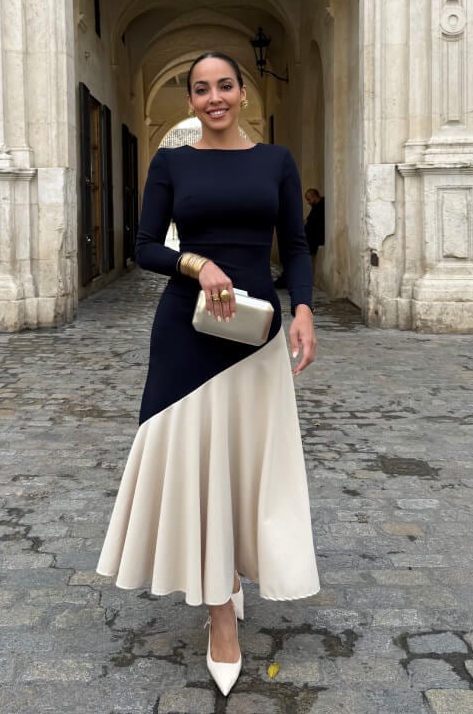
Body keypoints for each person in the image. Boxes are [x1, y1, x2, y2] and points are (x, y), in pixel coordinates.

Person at [97, 52, 320, 696]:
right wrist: (197, 263)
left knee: (245, 466)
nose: (214, 97)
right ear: (190, 100)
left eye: (225, 86)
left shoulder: (275, 161)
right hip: (186, 337)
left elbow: (296, 246)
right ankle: (223, 616)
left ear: (243, 94)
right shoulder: (172, 162)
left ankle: (233, 576)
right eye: (201, 89)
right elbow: (144, 247)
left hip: (254, 336)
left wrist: (302, 310)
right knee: (200, 465)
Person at [304, 188, 325, 256]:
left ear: (314, 196)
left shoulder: (323, 204)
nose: (308, 202)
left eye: (309, 199)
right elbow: (308, 220)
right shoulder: (315, 207)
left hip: (319, 237)